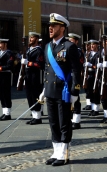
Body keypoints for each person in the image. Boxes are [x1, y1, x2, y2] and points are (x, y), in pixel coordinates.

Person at [39, 13, 81, 166]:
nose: (50, 28)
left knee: (64, 123)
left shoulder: (70, 47)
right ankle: (56, 151)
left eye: (54, 26)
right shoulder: (48, 46)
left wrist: (75, 92)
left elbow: (77, 71)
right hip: (50, 90)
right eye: (49, 26)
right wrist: (44, 89)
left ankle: (63, 154)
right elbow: (47, 69)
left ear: (62, 28)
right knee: (53, 123)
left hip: (64, 92)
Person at [21, 32, 45, 125]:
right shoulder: (28, 50)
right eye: (30, 37)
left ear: (36, 39)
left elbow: (40, 64)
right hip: (28, 75)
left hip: (35, 76)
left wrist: (28, 63)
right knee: (29, 96)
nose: (30, 39)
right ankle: (34, 116)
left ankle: (38, 117)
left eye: (32, 37)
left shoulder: (39, 51)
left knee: (35, 95)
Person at [68, 33, 84, 129]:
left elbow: (79, 65)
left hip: (75, 77)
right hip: (68, 77)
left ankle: (76, 121)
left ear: (76, 41)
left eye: (72, 40)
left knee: (76, 98)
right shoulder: (67, 50)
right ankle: (70, 119)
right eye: (69, 40)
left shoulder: (78, 51)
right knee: (68, 98)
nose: (70, 41)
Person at [84, 40, 101, 116]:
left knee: (95, 92)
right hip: (89, 74)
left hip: (95, 74)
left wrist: (91, 65)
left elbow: (98, 66)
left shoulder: (99, 54)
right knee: (90, 92)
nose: (92, 46)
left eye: (93, 44)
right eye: (91, 45)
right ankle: (93, 108)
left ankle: (96, 109)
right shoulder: (89, 54)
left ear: (97, 45)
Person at [0, 39, 14, 121]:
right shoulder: (0, 53)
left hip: (6, 75)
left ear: (5, 44)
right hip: (0, 75)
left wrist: (1, 68)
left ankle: (8, 113)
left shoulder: (9, 53)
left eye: (1, 43)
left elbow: (10, 65)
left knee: (6, 94)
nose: (0, 45)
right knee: (1, 94)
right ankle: (4, 112)